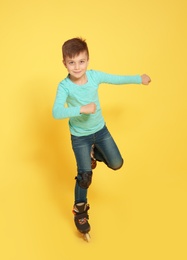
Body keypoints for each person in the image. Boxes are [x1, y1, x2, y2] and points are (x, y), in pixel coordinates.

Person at [52, 37, 151, 236]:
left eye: (81, 61)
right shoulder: (64, 86)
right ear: (64, 63)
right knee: (84, 176)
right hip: (80, 138)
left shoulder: (95, 76)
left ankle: (94, 154)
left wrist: (138, 78)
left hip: (100, 131)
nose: (77, 67)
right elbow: (56, 112)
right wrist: (82, 109)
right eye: (71, 62)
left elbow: (116, 79)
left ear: (88, 60)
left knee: (116, 163)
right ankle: (80, 211)